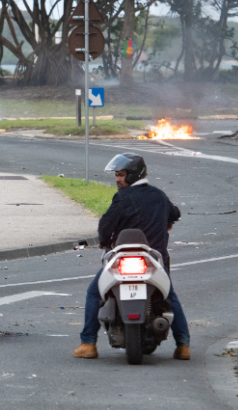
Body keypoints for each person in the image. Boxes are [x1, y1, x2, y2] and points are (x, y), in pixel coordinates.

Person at [72, 153, 191, 361]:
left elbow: (105, 226)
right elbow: (175, 214)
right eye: (116, 175)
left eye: (121, 175)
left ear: (134, 175)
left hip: (123, 261)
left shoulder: (122, 198)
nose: (117, 179)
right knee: (169, 297)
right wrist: (166, 222)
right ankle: (183, 346)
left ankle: (88, 343)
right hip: (154, 261)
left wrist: (104, 241)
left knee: (94, 293)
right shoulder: (159, 196)